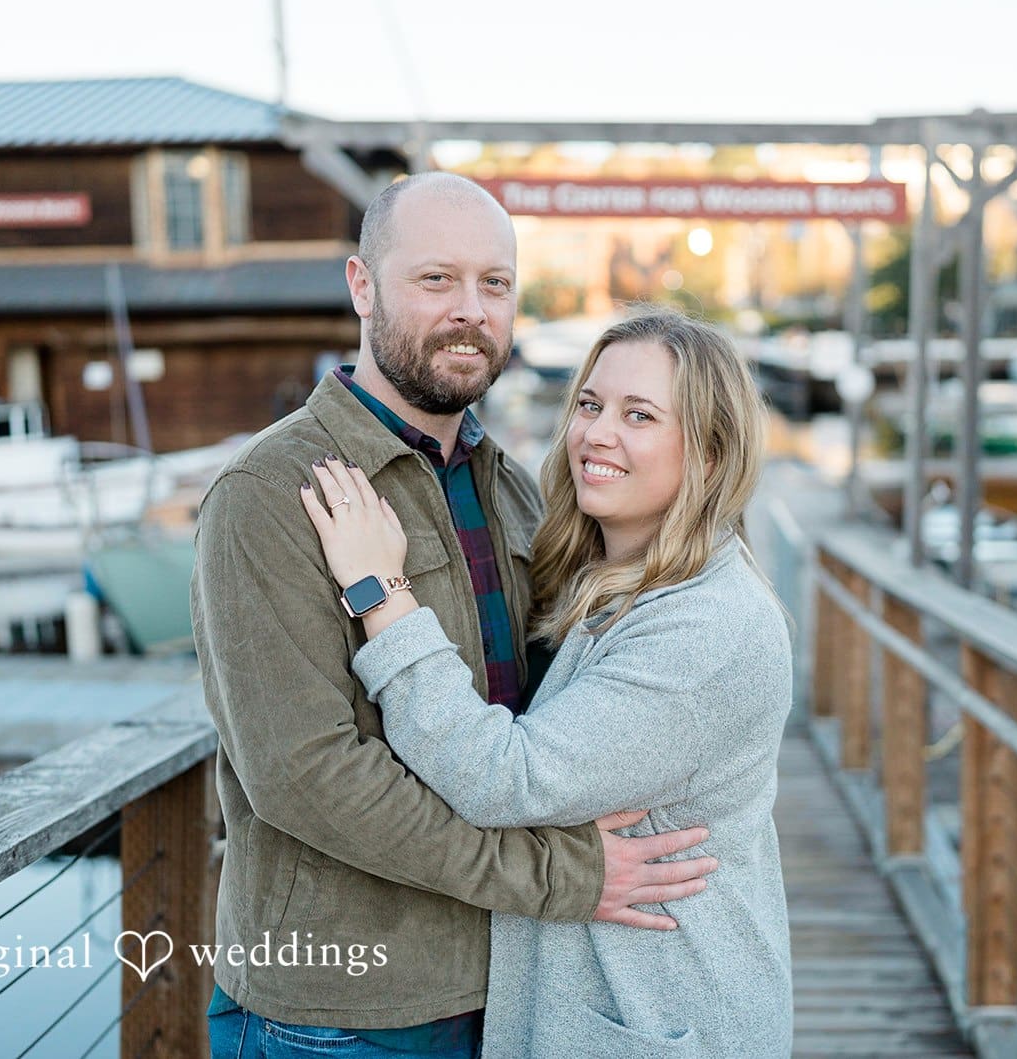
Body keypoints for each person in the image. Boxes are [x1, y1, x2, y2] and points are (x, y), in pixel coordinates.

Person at [192, 173, 719, 1059]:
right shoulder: (270, 493)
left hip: (510, 989)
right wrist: (552, 875)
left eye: (494, 283)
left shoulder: (511, 487)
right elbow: (304, 774)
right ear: (363, 287)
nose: (471, 309)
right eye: (436, 278)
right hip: (340, 1014)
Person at [300, 308, 795, 1057]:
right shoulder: (617, 580)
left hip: (661, 1017)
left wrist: (383, 592)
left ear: (712, 451)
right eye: (591, 404)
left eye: (640, 415)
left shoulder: (708, 627)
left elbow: (506, 778)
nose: (598, 434)